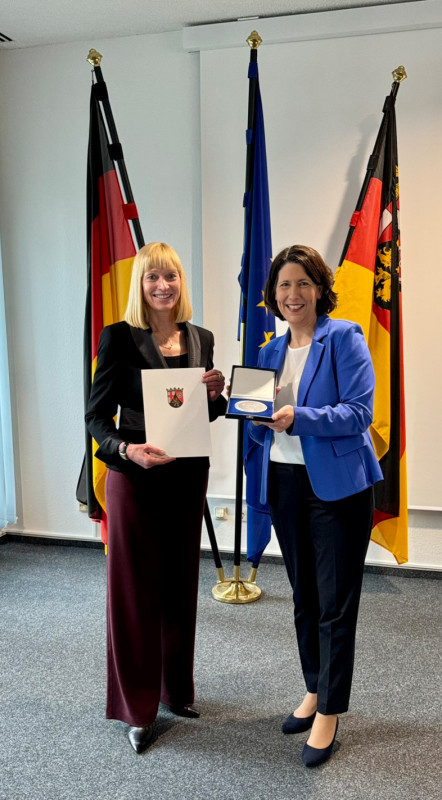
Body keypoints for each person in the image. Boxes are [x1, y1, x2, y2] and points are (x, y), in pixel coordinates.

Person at [86, 242, 226, 754]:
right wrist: (127, 449)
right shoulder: (118, 338)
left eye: (170, 276)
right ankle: (136, 707)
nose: (162, 286)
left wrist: (217, 396)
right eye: (152, 278)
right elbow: (96, 419)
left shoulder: (201, 338)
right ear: (139, 285)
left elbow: (206, 414)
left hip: (187, 479)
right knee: (133, 593)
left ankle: (175, 690)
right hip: (135, 477)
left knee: (178, 589)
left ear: (181, 282)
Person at [248, 244, 382, 768]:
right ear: (273, 295)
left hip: (338, 488)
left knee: (334, 602)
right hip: (283, 482)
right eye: (284, 285)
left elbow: (358, 412)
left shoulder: (343, 337)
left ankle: (329, 710)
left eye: (303, 283)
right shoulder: (267, 351)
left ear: (320, 289)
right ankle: (312, 687)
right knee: (304, 595)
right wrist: (252, 417)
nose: (293, 293)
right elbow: (256, 411)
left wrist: (296, 417)